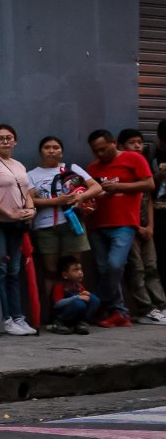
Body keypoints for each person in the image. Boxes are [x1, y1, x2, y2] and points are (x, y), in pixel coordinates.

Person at [83, 127, 154, 328]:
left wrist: (119, 187)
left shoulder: (133, 159)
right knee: (104, 269)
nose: (99, 154)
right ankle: (119, 312)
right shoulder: (93, 168)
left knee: (115, 265)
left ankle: (97, 303)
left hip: (124, 223)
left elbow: (149, 185)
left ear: (113, 143)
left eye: (103, 149)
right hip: (96, 224)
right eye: (95, 150)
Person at [27, 137, 100, 327]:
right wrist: (55, 202)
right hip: (45, 227)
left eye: (56, 147)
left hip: (72, 223)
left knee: (73, 270)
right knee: (51, 271)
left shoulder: (72, 168)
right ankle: (53, 315)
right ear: (40, 151)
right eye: (47, 147)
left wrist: (79, 196)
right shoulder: (31, 174)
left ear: (62, 151)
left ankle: (76, 317)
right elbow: (31, 200)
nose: (51, 151)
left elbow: (97, 187)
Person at [0, 124, 38, 336]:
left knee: (14, 270)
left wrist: (31, 209)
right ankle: (5, 318)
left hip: (18, 224)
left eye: (9, 137)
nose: (5, 141)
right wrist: (7, 214)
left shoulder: (19, 165)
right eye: (0, 138)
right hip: (0, 223)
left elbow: (27, 192)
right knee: (1, 270)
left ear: (15, 141)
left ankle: (18, 316)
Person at [118, 128, 166, 323]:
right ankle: (145, 308)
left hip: (146, 226)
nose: (137, 146)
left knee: (151, 267)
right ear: (121, 146)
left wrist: (150, 227)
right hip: (130, 226)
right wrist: (136, 226)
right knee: (136, 268)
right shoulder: (121, 168)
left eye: (139, 142)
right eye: (132, 142)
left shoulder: (144, 166)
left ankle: (161, 305)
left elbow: (148, 201)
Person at [45, 254, 97, 334]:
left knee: (94, 299)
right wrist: (76, 297)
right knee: (79, 304)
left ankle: (81, 323)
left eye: (80, 269)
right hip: (61, 315)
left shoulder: (78, 286)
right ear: (65, 275)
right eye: (75, 270)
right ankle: (59, 323)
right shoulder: (59, 287)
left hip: (74, 314)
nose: (80, 272)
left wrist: (86, 295)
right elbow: (57, 304)